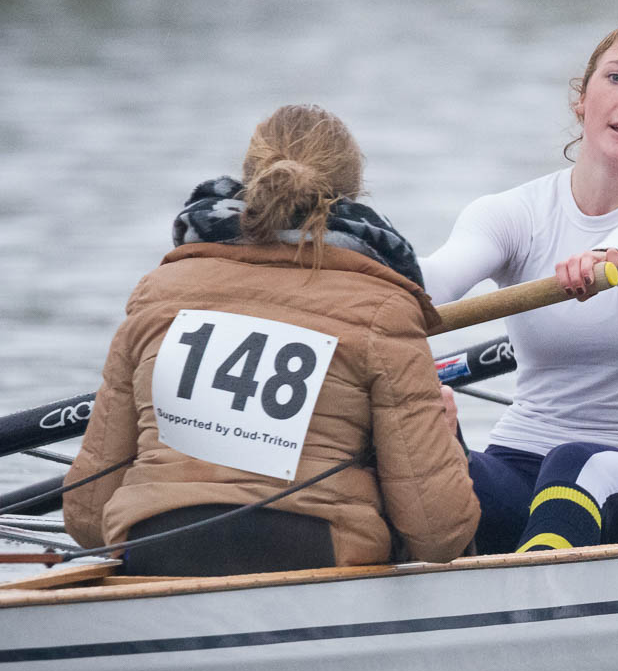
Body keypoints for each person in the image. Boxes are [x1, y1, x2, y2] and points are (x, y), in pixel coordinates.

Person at [63, 105, 480, 576]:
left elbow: (87, 514)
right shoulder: (385, 308)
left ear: (250, 179)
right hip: (313, 555)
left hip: (154, 548)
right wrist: (446, 441)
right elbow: (438, 534)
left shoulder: (157, 293)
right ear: (353, 193)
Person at [422, 22, 618, 554]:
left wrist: (611, 256)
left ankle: (530, 596)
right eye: (617, 78)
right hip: (521, 461)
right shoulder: (514, 212)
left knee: (578, 464)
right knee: (424, 446)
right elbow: (435, 281)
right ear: (583, 100)